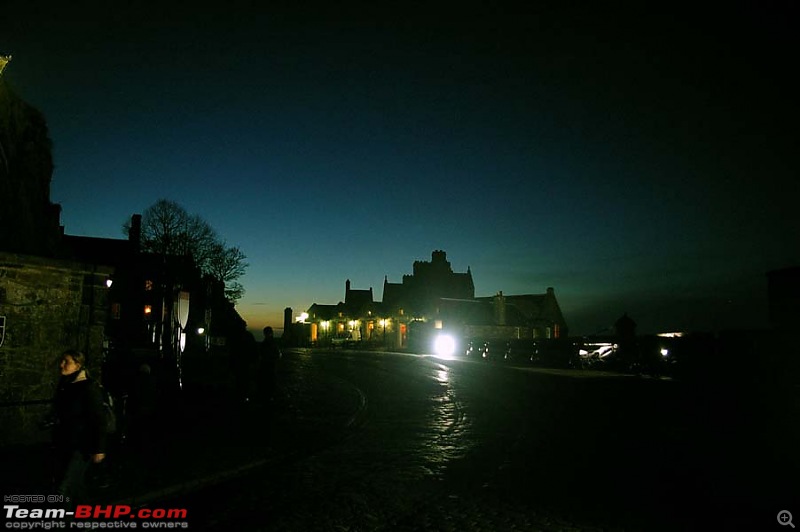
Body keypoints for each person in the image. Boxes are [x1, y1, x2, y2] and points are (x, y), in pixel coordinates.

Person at [51, 350, 107, 504]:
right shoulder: (66, 384)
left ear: (78, 365)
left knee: (63, 488)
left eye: (67, 362)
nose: (62, 365)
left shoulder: (89, 387)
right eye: (62, 361)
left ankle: (64, 522)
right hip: (66, 443)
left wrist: (99, 449)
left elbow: (99, 418)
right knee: (76, 485)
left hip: (82, 446)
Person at [257, 326, 281, 402]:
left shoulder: (265, 343)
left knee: (266, 381)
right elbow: (277, 354)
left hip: (266, 364)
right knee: (270, 381)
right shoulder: (273, 343)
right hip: (270, 364)